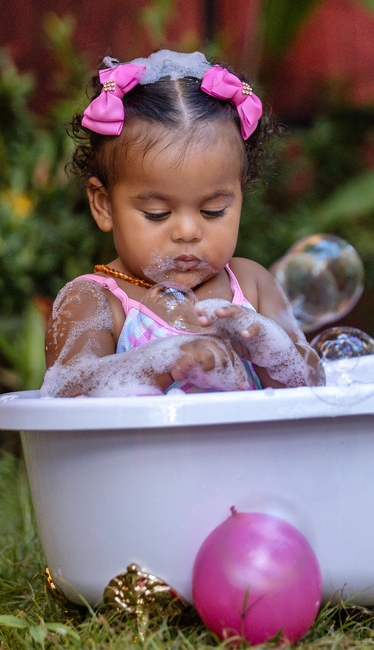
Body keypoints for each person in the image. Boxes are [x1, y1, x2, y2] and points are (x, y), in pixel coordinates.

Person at [41, 50, 323, 397]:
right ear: (104, 205)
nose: (188, 232)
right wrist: (166, 360)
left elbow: (313, 386)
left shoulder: (252, 285)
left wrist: (266, 347)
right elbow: (66, 394)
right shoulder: (96, 301)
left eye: (214, 211)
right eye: (158, 214)